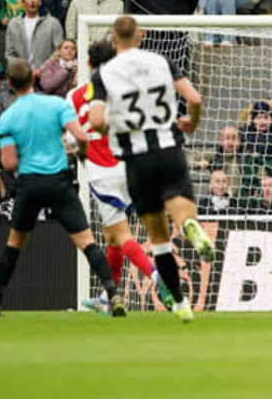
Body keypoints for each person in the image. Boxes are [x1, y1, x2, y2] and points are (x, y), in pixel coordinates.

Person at [87, 16, 214, 322]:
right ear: (140, 36)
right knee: (181, 211)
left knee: (158, 238)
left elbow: (95, 120)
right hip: (169, 150)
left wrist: (116, 123)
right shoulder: (161, 61)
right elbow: (194, 98)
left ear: (114, 39)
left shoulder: (104, 74)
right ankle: (189, 227)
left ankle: (182, 305)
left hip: (136, 160)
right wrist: (191, 123)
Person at [0, 58, 124, 317]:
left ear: (9, 84)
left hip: (30, 183)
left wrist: (23, 163)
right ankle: (113, 294)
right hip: (59, 181)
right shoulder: (56, 104)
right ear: (33, 78)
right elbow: (81, 136)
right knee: (87, 242)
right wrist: (79, 155)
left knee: (15, 243)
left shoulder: (8, 117)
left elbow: (8, 161)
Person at [70, 41, 174, 313]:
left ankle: (156, 275)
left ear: (89, 64)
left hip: (102, 173)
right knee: (112, 236)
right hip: (130, 167)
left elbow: (74, 138)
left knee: (121, 234)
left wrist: (82, 155)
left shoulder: (75, 95)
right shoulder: (126, 92)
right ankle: (110, 296)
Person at [5, 0, 63, 71]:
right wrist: (22, 70)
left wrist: (42, 69)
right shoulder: (14, 24)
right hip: (21, 74)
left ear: (40, 1)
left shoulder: (53, 23)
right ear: (23, 3)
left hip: (46, 74)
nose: (32, 1)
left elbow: (58, 51)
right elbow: (9, 53)